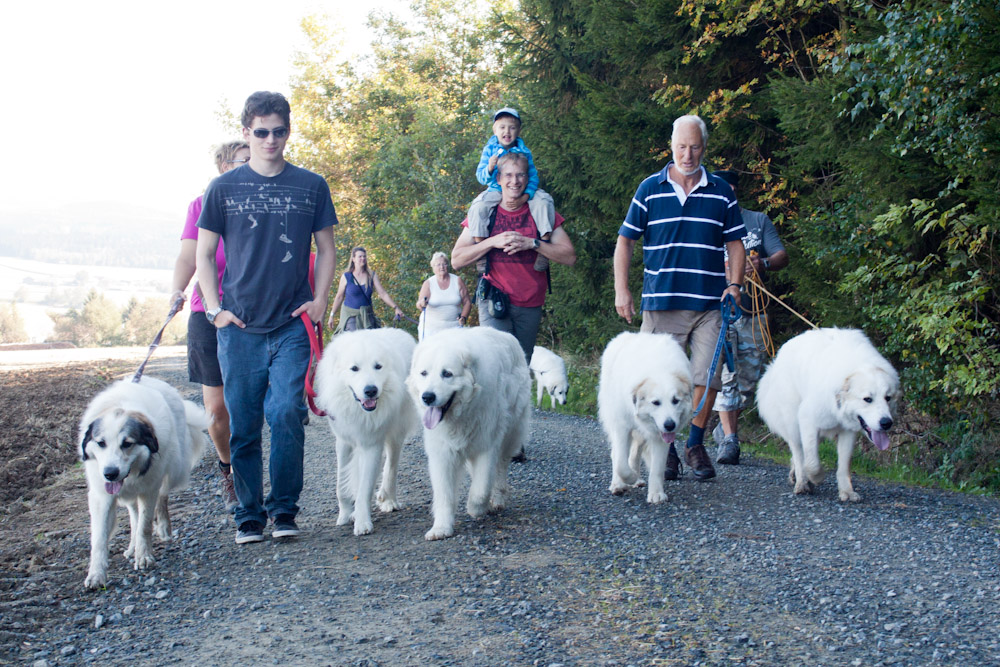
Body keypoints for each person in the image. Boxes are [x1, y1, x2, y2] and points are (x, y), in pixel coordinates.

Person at [196, 91, 337, 545]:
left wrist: (319, 302)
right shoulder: (223, 188)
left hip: (292, 323)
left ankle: (284, 510)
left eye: (278, 131)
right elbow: (202, 254)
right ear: (246, 133)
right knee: (244, 421)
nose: (270, 139)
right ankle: (249, 515)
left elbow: (327, 249)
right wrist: (214, 309)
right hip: (238, 327)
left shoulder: (311, 185)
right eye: (261, 132)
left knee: (286, 413)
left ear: (288, 132)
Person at [614, 114, 746, 482]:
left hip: (709, 305)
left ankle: (694, 443)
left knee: (707, 377)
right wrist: (621, 289)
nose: (687, 155)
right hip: (661, 304)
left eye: (695, 147)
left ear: (705, 148)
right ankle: (666, 450)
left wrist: (734, 285)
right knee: (659, 382)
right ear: (671, 146)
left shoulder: (721, 191)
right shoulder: (649, 188)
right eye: (681, 147)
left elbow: (736, 243)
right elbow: (625, 241)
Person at [169, 139, 248, 512]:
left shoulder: (261, 205)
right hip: (206, 313)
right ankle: (230, 472)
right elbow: (189, 257)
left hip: (252, 314)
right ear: (222, 167)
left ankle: (252, 471)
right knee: (217, 410)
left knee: (248, 403)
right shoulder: (201, 206)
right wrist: (176, 291)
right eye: (240, 161)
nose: (247, 166)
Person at [710, 170, 789, 465]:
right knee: (727, 377)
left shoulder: (758, 220)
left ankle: (723, 427)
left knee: (748, 381)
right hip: (719, 311)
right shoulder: (707, 223)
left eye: (730, 189)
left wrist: (761, 262)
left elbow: (781, 256)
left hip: (755, 313)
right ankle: (731, 441)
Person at [469, 108, 555, 272]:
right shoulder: (489, 150)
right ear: (495, 130)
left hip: (522, 191)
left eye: (512, 127)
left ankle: (544, 247)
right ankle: (481, 252)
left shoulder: (524, 152)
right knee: (479, 206)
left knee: (543, 201)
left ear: (518, 130)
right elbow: (481, 177)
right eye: (502, 127)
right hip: (496, 189)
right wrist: (489, 168)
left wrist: (526, 196)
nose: (507, 131)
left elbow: (533, 177)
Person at [327, 246, 405, 333]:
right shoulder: (347, 276)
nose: (363, 258)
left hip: (367, 316)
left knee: (370, 342)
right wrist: (332, 315)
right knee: (355, 341)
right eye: (360, 256)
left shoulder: (371, 275)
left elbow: (383, 294)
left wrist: (396, 307)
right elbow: (339, 297)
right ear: (353, 259)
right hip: (351, 316)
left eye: (364, 256)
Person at [416, 251, 472, 340]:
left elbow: (467, 302)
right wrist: (422, 303)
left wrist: (464, 317)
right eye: (438, 265)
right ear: (433, 267)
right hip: (431, 330)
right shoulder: (428, 283)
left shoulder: (457, 281)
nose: (441, 267)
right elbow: (419, 305)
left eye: (444, 264)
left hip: (454, 328)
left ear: (447, 266)